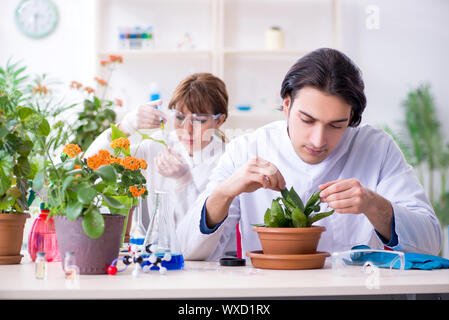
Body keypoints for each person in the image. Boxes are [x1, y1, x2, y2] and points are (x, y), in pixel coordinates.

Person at [177, 48, 442, 260]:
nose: (318, 140)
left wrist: (375, 206)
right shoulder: (246, 149)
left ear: (352, 118)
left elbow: (430, 243)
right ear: (286, 104)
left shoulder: (377, 147)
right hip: (266, 294)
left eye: (336, 125)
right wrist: (224, 193)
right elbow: (189, 251)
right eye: (307, 120)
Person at [84, 73, 234, 248]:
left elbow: (200, 238)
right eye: (179, 117)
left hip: (208, 267)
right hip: (157, 261)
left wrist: (183, 181)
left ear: (219, 120)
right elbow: (90, 166)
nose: (187, 129)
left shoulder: (228, 159)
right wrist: (125, 126)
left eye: (199, 120)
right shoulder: (158, 146)